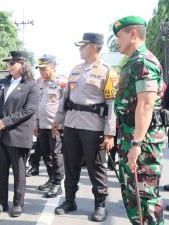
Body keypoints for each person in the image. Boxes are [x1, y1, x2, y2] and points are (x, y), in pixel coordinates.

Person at [52, 33, 118, 222]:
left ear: (94, 47)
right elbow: (65, 98)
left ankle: (100, 205)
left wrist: (109, 134)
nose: (79, 49)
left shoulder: (107, 72)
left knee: (96, 166)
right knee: (71, 164)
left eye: (83, 46)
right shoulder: (75, 69)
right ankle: (70, 200)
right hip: (72, 124)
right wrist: (58, 119)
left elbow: (111, 105)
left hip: (93, 127)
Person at [113, 16, 166, 225]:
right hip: (131, 137)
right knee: (133, 196)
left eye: (119, 36)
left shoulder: (144, 62)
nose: (117, 41)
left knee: (145, 199)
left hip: (142, 142)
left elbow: (146, 105)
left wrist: (136, 143)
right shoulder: (134, 61)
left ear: (133, 34)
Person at [0, 51, 38, 217]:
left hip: (17, 134)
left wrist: (5, 122)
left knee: (19, 171)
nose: (8, 66)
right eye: (8, 63)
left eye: (12, 63)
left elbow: (29, 110)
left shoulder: (31, 84)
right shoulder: (2, 82)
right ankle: (1, 202)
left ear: (22, 64)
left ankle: (18, 203)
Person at [34, 54, 66, 198]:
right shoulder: (39, 83)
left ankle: (58, 183)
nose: (41, 71)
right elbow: (36, 105)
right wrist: (36, 123)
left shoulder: (62, 83)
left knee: (56, 154)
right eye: (39, 68)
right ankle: (51, 178)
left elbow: (66, 105)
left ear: (53, 67)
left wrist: (61, 124)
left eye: (44, 68)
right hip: (42, 125)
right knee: (46, 154)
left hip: (56, 126)